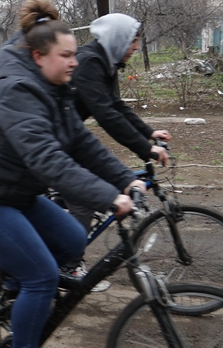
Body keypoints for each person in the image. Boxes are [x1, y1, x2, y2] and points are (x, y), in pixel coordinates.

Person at [0, 0, 144, 348]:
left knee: (72, 239)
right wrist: (109, 196)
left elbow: (82, 144)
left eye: (74, 54)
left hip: (15, 194)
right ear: (39, 56)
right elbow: (48, 160)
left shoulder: (56, 90)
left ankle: (9, 298)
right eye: (66, 56)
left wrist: (124, 178)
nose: (75, 62)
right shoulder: (19, 91)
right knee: (43, 277)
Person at [67, 13, 172, 228]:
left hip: (70, 133)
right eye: (132, 41)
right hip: (57, 136)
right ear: (117, 38)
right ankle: (70, 260)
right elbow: (106, 114)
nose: (136, 48)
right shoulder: (89, 62)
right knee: (84, 199)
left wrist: (149, 133)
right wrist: (147, 150)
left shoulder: (106, 61)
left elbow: (115, 104)